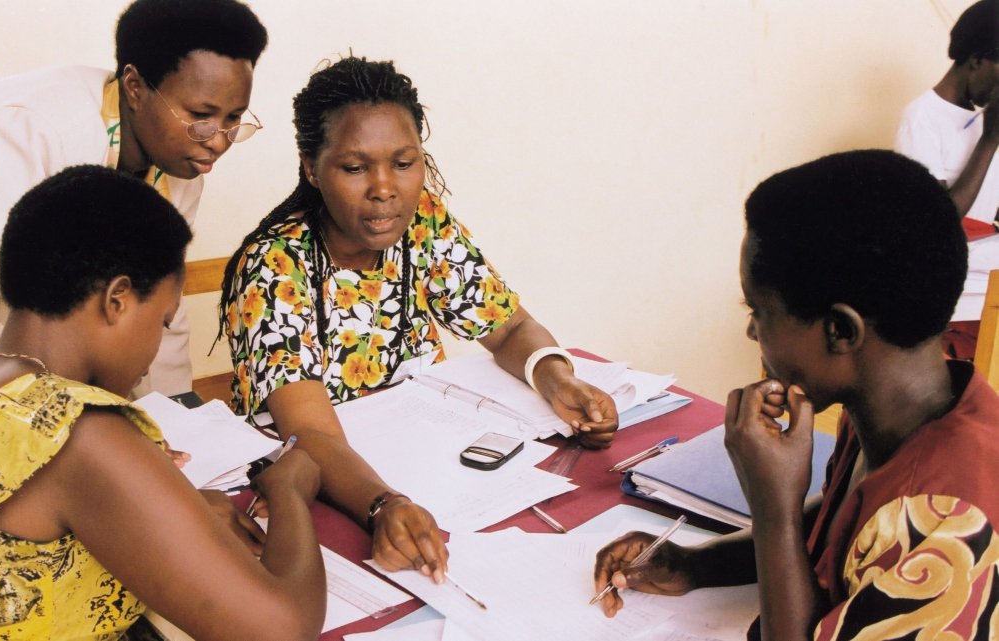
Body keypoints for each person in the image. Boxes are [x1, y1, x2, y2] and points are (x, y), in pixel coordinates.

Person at [0, 166, 326, 641]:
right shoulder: (75, 432)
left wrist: (166, 509)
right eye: (161, 322)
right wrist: (290, 489)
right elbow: (282, 629)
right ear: (118, 300)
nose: (151, 355)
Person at [218, 56, 619, 581]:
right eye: (355, 167)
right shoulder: (275, 267)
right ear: (312, 167)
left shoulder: (422, 223)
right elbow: (311, 438)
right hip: (312, 496)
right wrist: (384, 505)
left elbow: (510, 326)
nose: (385, 188)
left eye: (404, 163)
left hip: (428, 474)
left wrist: (556, 376)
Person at [593, 150, 999, 640]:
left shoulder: (947, 526)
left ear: (839, 331)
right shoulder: (892, 406)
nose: (750, 331)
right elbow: (838, 528)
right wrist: (697, 565)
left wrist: (773, 510)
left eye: (758, 310)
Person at [0, 0, 268, 412]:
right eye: (201, 115)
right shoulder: (28, 130)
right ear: (135, 88)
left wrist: (175, 411)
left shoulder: (179, 160)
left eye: (234, 118)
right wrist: (26, 415)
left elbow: (156, 298)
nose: (218, 139)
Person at [896, 0, 999, 222]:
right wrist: (990, 139)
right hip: (962, 257)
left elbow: (985, 207)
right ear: (977, 60)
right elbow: (937, 219)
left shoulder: (982, 118)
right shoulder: (922, 117)